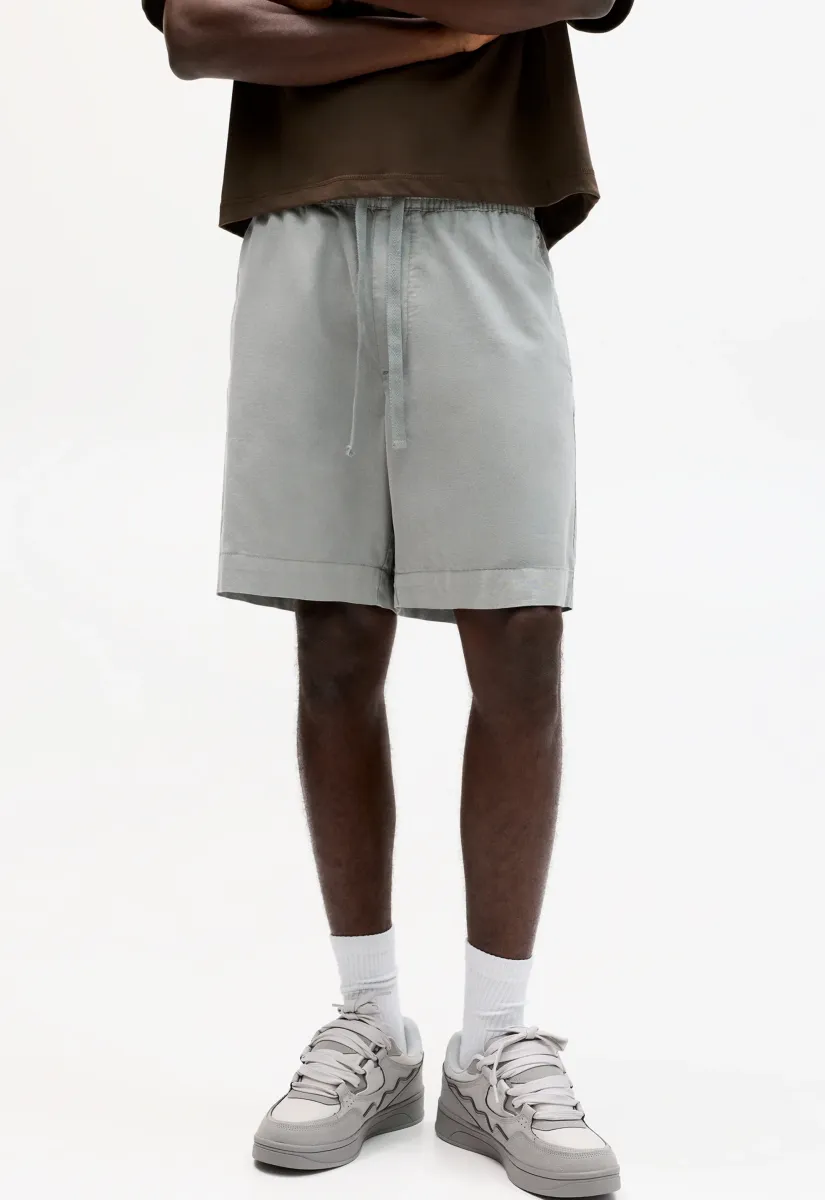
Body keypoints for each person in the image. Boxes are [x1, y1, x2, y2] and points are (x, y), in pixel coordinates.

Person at [142, 1, 634, 1193]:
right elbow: (200, 28)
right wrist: (450, 32)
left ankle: (493, 1040)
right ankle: (372, 1025)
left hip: (485, 217)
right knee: (333, 640)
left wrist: (327, 9)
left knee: (517, 628)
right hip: (298, 223)